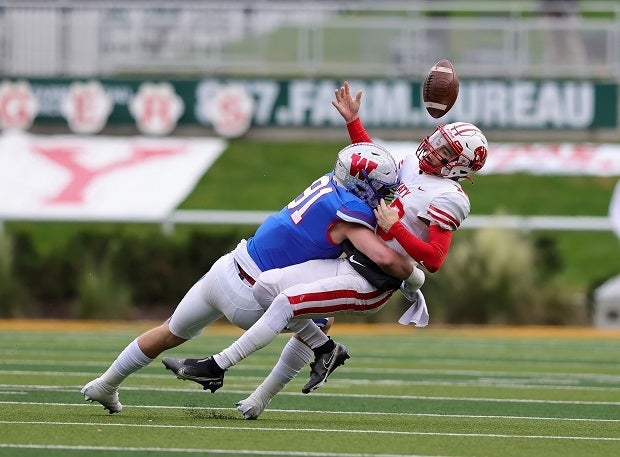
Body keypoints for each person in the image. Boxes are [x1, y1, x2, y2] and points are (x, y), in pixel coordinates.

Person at [162, 82, 488, 416]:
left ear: (461, 166)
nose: (433, 149)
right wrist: (353, 123)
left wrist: (396, 228)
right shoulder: (416, 166)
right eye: (437, 141)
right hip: (353, 260)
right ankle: (320, 355)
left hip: (373, 281)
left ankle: (216, 366)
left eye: (445, 152)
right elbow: (374, 161)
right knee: (266, 287)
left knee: (287, 302)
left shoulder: (449, 197)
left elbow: (433, 259)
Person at [81, 140, 423, 414]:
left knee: (169, 332)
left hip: (226, 267)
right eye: (380, 187)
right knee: (321, 321)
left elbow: (361, 165)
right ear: (363, 185)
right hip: (250, 296)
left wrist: (353, 125)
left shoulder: (328, 183)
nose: (384, 194)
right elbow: (382, 258)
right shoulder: (352, 212)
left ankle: (106, 384)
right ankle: (269, 390)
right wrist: (412, 272)